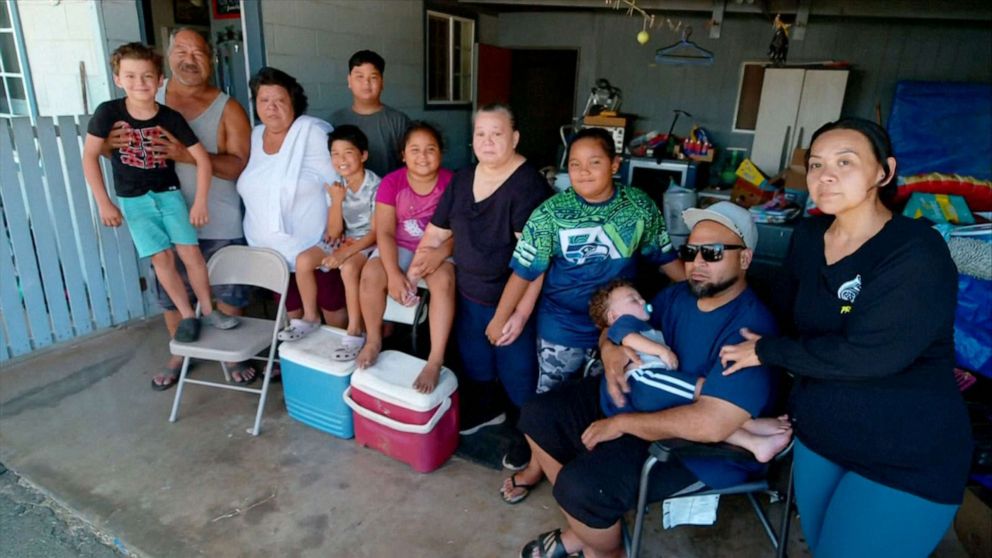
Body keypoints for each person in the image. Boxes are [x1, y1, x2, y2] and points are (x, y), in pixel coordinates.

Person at [719, 118, 972, 557]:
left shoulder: (915, 250)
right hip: (822, 438)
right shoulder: (810, 235)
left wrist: (765, 351)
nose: (825, 175)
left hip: (903, 453)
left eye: (845, 162)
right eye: (816, 164)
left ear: (884, 172)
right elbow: (780, 313)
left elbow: (868, 356)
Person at [514, 202, 782, 558]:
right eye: (690, 251)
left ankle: (599, 547)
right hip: (641, 398)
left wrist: (622, 424)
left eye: (713, 252)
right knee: (537, 416)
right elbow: (618, 326)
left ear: (744, 259)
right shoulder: (678, 294)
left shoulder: (752, 327)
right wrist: (610, 352)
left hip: (698, 449)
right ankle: (588, 531)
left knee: (581, 486)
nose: (697, 262)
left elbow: (712, 424)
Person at [492, 127, 685, 498]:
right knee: (547, 403)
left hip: (618, 328)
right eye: (575, 164)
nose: (582, 171)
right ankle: (536, 468)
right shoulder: (552, 213)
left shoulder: (638, 206)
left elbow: (663, 257)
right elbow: (525, 270)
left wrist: (697, 293)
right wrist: (500, 319)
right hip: (561, 325)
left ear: (614, 164)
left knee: (609, 399)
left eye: (594, 162)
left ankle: (587, 472)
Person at [104, 28, 255, 390]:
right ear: (168, 57)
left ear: (212, 60)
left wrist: (183, 155)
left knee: (228, 293)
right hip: (159, 216)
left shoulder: (228, 107)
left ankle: (230, 356)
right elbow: (115, 152)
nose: (190, 59)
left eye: (199, 52)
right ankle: (181, 353)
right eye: (182, 51)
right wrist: (109, 144)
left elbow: (239, 165)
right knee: (170, 293)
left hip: (217, 216)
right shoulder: (142, 96)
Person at [414, 104, 550, 443]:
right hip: (469, 294)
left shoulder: (527, 186)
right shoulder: (462, 179)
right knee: (477, 366)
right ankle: (491, 412)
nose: (487, 141)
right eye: (480, 134)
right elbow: (435, 234)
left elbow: (535, 263)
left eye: (497, 134)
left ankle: (527, 438)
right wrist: (412, 272)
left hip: (511, 298)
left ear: (515, 138)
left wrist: (519, 314)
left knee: (518, 375)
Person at [588, 279, 791, 462]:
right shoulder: (625, 322)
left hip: (651, 386)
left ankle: (754, 443)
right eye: (633, 300)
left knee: (691, 412)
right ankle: (749, 423)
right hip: (646, 380)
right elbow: (628, 338)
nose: (641, 301)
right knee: (706, 390)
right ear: (613, 315)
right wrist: (662, 351)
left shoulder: (645, 321)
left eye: (640, 297)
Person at [237, 67, 347, 331]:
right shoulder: (252, 136)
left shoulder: (312, 132)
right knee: (293, 315)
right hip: (271, 251)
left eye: (280, 100)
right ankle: (302, 366)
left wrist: (336, 226)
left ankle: (335, 366)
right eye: (264, 100)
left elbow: (339, 182)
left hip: (313, 244)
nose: (271, 107)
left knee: (332, 309)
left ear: (294, 103)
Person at [356, 122, 455, 394]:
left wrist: (442, 253)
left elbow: (461, 230)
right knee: (371, 275)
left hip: (439, 248)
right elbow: (385, 233)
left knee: (443, 281)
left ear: (441, 154)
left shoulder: (452, 183)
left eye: (430, 149)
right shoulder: (392, 182)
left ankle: (435, 359)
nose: (423, 156)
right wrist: (393, 274)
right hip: (399, 245)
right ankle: (374, 340)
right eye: (415, 150)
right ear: (403, 154)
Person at [277, 125, 381, 354]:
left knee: (348, 269)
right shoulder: (335, 185)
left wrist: (343, 254)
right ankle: (311, 316)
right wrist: (336, 200)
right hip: (344, 237)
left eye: (348, 152)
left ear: (363, 155)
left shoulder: (376, 185)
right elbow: (333, 232)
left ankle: (354, 329)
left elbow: (376, 233)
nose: (341, 159)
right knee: (303, 260)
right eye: (335, 153)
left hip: (369, 242)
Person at [330, 50, 411, 177]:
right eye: (359, 76)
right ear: (349, 81)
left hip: (388, 195)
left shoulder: (399, 121)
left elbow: (410, 165)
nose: (366, 83)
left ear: (382, 82)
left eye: (373, 77)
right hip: (347, 195)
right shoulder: (336, 121)